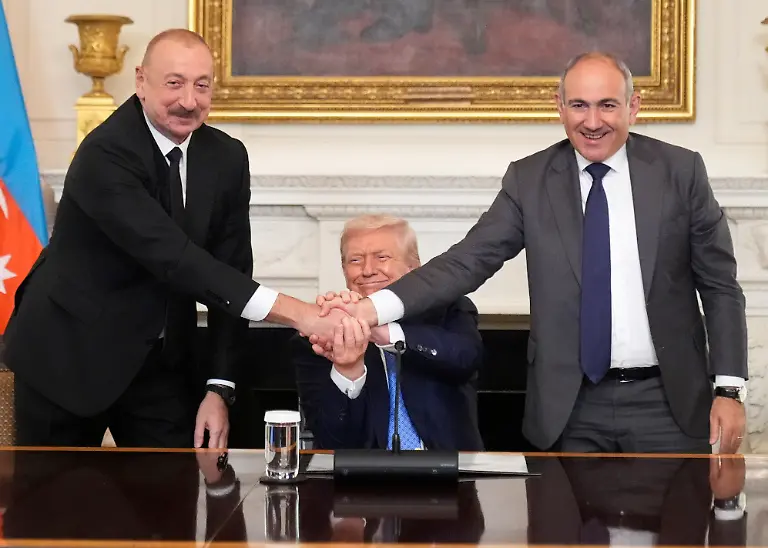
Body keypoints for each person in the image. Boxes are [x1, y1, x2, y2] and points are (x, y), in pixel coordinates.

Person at [318, 52, 748, 454]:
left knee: (683, 532)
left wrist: (728, 389)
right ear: (558, 107)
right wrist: (371, 310)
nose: (592, 121)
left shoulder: (681, 171)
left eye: (607, 105)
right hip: (571, 406)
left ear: (633, 107)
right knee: (566, 534)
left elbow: (719, 286)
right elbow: (466, 261)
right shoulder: (530, 180)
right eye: (578, 105)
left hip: (669, 400)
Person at [3, 29, 344, 449]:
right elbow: (177, 259)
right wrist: (300, 314)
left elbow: (231, 271)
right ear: (140, 81)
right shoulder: (105, 153)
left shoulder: (226, 157)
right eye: (174, 83)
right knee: (53, 507)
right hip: (68, 354)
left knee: (171, 503)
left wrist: (220, 388)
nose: (189, 100)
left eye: (202, 85)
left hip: (160, 363)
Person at [294, 215, 484, 451]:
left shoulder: (449, 310)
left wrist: (386, 332)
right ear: (343, 270)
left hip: (451, 474)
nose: (367, 270)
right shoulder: (321, 335)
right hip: (363, 481)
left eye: (381, 257)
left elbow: (466, 358)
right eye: (355, 260)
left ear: (414, 267)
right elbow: (334, 441)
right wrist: (348, 370)